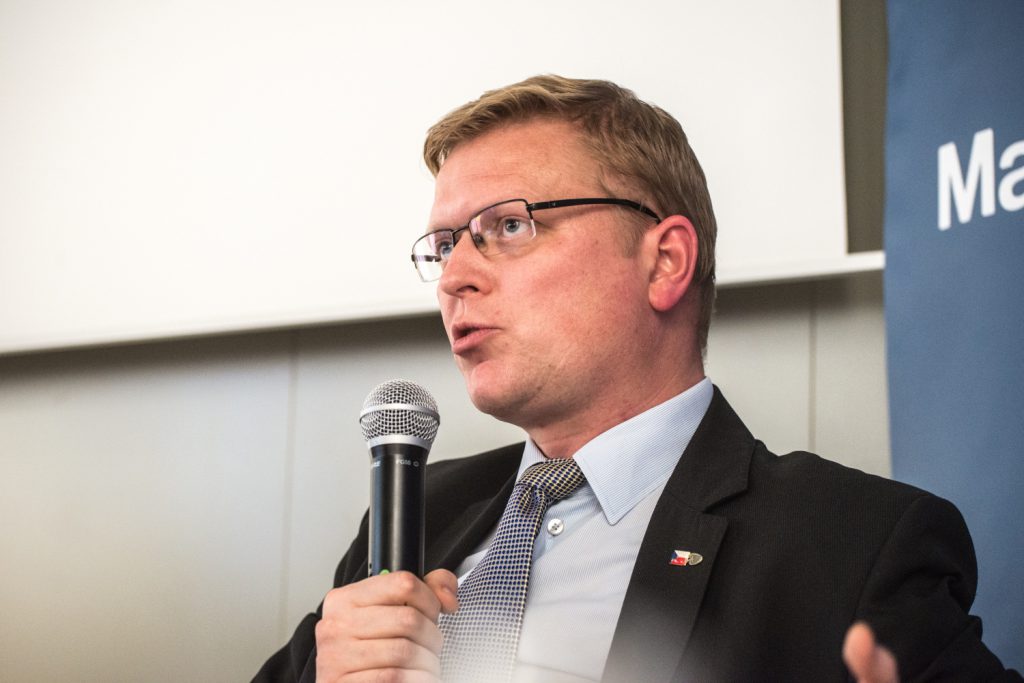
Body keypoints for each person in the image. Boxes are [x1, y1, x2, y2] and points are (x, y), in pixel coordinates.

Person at [254, 75, 1019, 682]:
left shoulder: (853, 546)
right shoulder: (413, 518)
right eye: (445, 245)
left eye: (508, 226)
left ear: (665, 261)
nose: (454, 276)